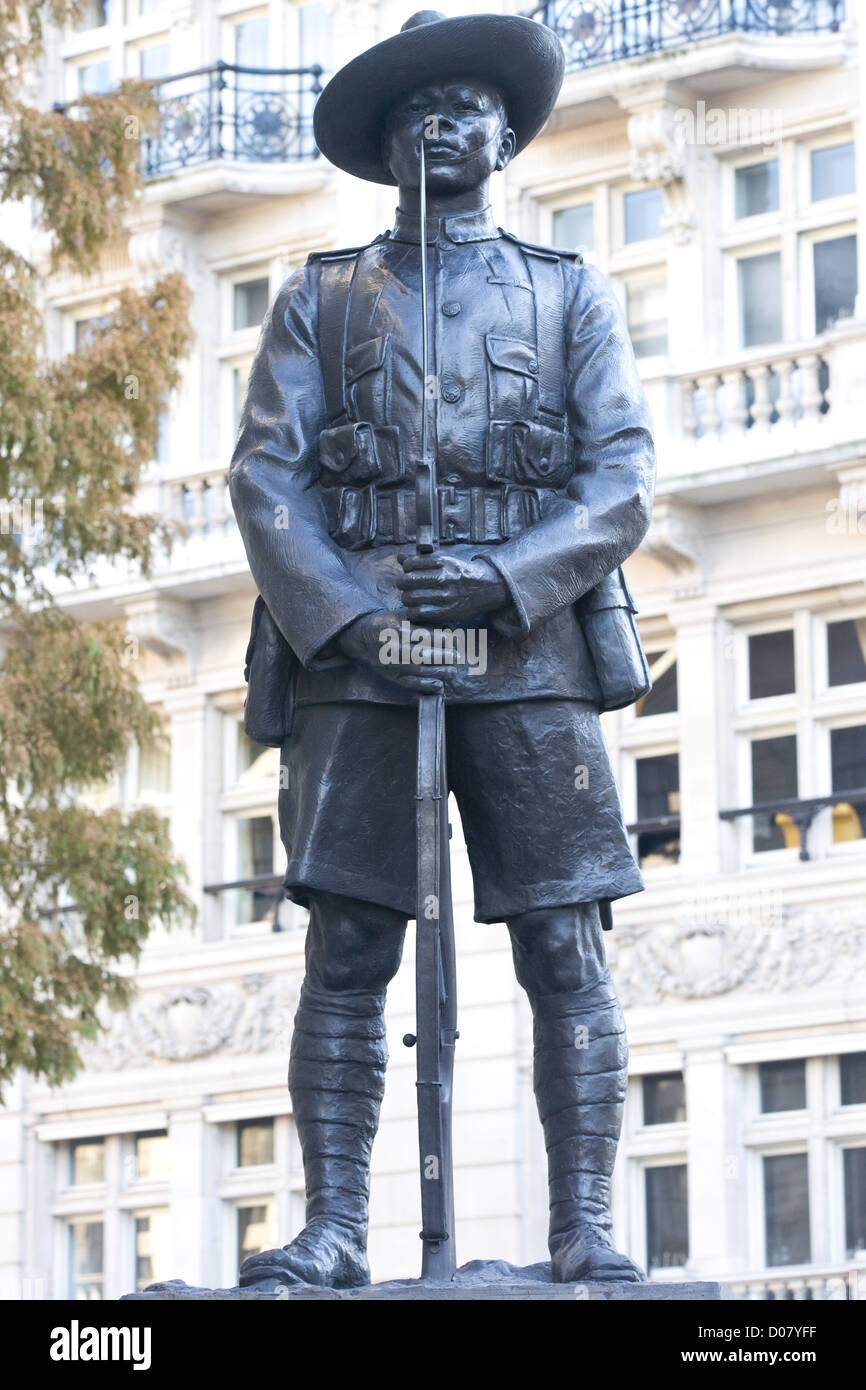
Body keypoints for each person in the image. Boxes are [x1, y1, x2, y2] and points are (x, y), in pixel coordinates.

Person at [229, 10, 656, 1288]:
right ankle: (337, 1225)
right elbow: (266, 479)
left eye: (468, 104)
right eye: (419, 106)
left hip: (528, 658)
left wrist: (500, 578)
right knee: (349, 950)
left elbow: (620, 478)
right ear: (383, 141)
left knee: (562, 945)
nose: (444, 122)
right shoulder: (318, 298)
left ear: (507, 134)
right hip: (357, 664)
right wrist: (354, 615)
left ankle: (581, 1222)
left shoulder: (569, 291)